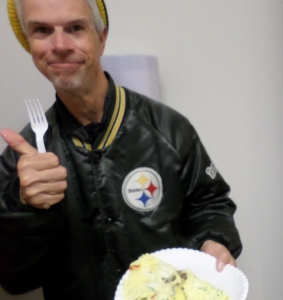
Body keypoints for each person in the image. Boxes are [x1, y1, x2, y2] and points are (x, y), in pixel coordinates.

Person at [0, 0, 242, 299]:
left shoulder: (168, 128)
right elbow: (15, 280)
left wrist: (214, 240)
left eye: (75, 28)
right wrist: (24, 206)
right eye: (42, 30)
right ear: (29, 43)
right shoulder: (22, 163)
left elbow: (210, 203)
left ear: (101, 39)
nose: (60, 44)